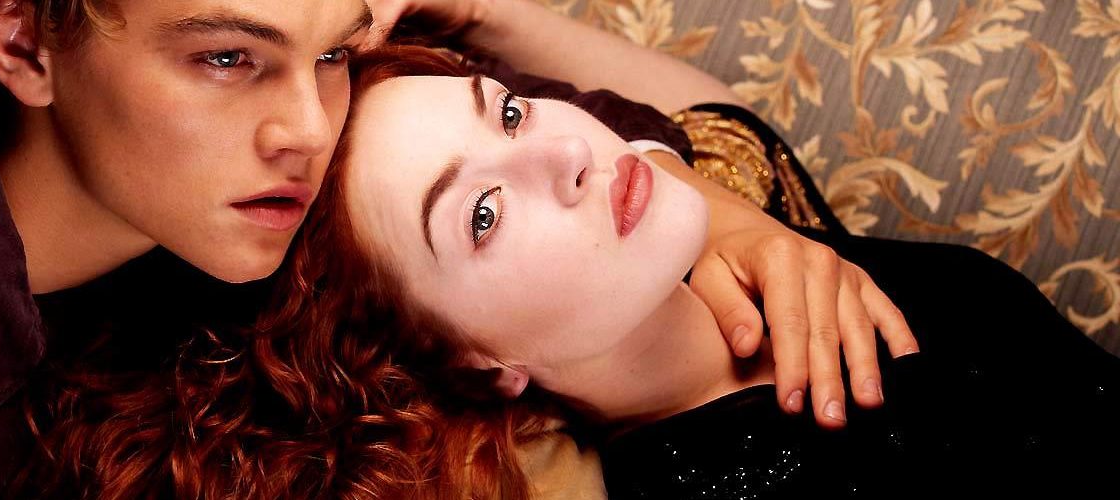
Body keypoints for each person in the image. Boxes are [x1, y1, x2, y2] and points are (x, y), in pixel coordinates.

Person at [0, 0, 914, 496]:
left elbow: (575, 135)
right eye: (226, 58)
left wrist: (735, 221)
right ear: (22, 43)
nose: (308, 127)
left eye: (333, 54)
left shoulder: (245, 218)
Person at [291, 44, 1120, 498]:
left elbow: (716, 118)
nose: (570, 148)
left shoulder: (744, 236)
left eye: (508, 111)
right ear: (475, 362)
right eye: (483, 214)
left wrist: (476, 9)